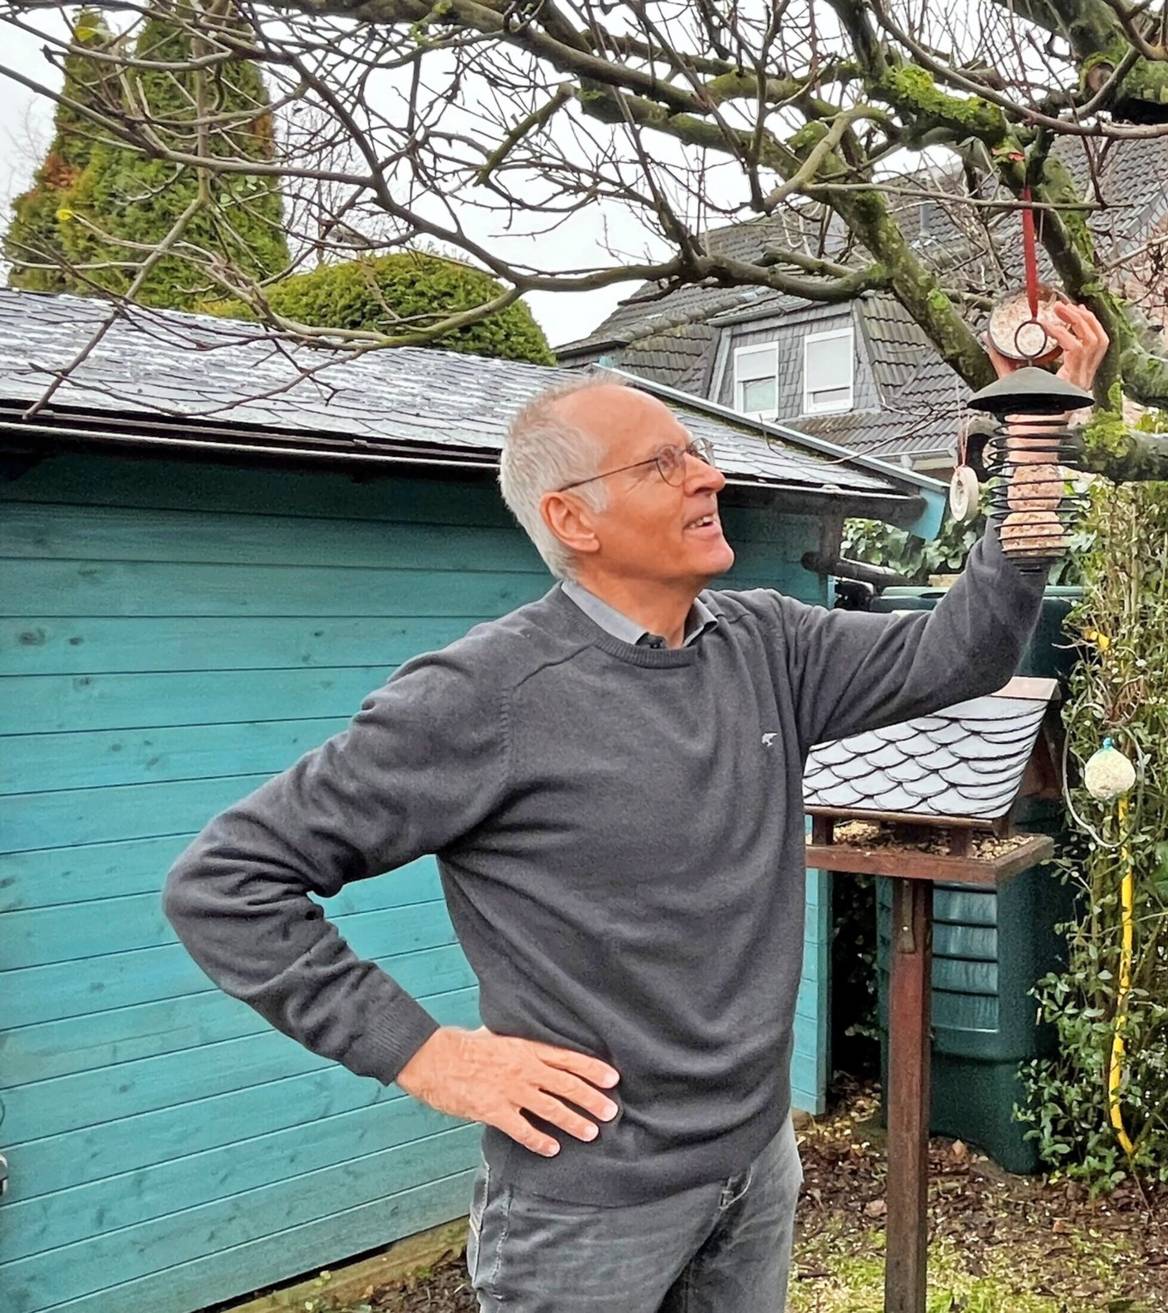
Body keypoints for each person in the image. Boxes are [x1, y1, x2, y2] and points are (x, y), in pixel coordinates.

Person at [162, 303, 1111, 1311]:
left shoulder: (765, 643)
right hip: (587, 1212)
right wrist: (427, 1053)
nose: (710, 477)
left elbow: (961, 650)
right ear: (573, 517)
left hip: (756, 1160)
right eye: (664, 465)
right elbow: (224, 884)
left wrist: (1038, 436)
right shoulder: (484, 694)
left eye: (697, 453)